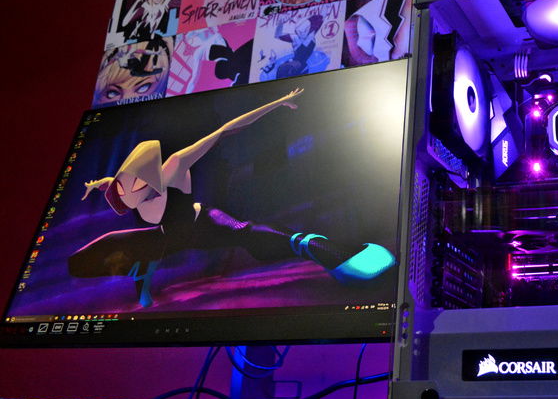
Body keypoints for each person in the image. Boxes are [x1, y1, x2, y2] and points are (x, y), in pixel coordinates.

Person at [73, 88, 394, 307]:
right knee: (126, 252)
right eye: (120, 187)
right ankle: (143, 286)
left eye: (128, 186)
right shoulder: (123, 187)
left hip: (204, 225)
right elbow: (111, 184)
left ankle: (317, 247)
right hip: (169, 236)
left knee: (246, 232)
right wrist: (98, 184)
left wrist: (277, 103)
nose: (122, 193)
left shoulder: (175, 167)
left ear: (148, 178)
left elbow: (226, 129)